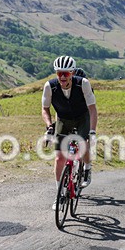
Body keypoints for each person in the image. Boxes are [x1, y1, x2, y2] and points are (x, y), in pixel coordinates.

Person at [41, 56, 98, 209]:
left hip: (82, 118)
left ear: (72, 73)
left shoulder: (83, 84)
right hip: (63, 119)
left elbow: (92, 109)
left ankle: (87, 168)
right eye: (60, 73)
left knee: (83, 143)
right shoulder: (50, 86)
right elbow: (45, 109)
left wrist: (92, 131)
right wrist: (49, 126)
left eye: (66, 73)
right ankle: (59, 195)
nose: (63, 77)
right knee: (59, 157)